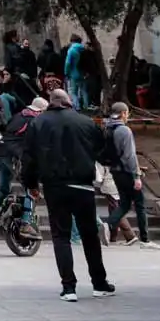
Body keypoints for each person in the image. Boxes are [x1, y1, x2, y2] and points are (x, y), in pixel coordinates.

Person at [20, 85, 115, 301]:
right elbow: (104, 151)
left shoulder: (38, 123)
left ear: (51, 102)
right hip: (83, 185)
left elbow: (29, 158)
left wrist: (31, 184)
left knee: (60, 236)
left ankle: (69, 287)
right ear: (68, 101)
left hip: (55, 186)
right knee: (90, 235)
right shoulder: (85, 122)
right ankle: (99, 283)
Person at [0, 94, 47, 236]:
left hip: (0, 152)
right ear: (40, 110)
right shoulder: (35, 120)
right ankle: (26, 224)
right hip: (15, 157)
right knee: (32, 191)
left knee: (3, 190)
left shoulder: (18, 115)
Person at [105, 101, 149, 245]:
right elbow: (130, 156)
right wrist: (137, 176)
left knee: (124, 204)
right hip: (127, 171)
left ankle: (107, 224)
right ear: (124, 113)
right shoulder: (125, 130)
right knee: (140, 203)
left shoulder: (107, 129)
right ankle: (145, 238)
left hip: (115, 171)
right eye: (127, 113)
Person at [63, 36, 87, 110]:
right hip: (83, 73)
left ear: (72, 41)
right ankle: (86, 105)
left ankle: (77, 106)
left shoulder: (71, 50)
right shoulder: (84, 50)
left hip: (73, 73)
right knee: (84, 90)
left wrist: (66, 72)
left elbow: (68, 63)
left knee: (74, 92)